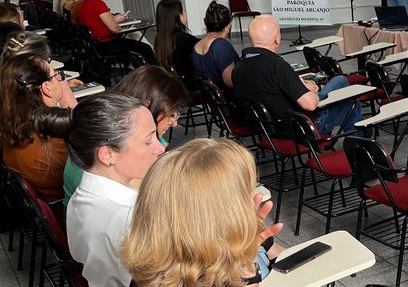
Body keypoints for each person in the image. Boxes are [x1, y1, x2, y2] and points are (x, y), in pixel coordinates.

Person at [120, 138, 284, 287]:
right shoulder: (217, 269)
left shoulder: (158, 264)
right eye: (243, 194)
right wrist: (245, 267)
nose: (249, 201)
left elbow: (279, 252)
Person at [66, 92, 165, 287]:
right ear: (108, 154)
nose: (160, 148)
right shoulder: (131, 218)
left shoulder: (81, 196)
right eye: (148, 141)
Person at [64, 65, 189, 203]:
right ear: (146, 108)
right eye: (172, 115)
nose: (175, 123)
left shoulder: (130, 137)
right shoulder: (94, 166)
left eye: (178, 114)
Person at [232, 15, 362, 136]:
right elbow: (310, 105)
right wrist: (311, 91)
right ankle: (359, 145)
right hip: (299, 129)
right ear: (276, 38)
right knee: (351, 102)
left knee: (339, 80)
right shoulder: (277, 66)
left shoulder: (238, 67)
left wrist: (299, 85)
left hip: (265, 128)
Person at [0, 53, 76, 201]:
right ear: (46, 88)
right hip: (66, 208)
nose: (60, 80)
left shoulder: (13, 127)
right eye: (57, 76)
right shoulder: (54, 139)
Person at [73, 0, 156, 64]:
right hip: (108, 43)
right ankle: (155, 69)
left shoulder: (82, 6)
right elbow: (115, 29)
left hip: (95, 45)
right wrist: (118, 25)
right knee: (145, 48)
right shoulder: (98, 4)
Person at [192, 0, 239, 91]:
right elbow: (230, 82)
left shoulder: (197, 45)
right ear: (229, 26)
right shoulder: (220, 45)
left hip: (211, 97)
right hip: (227, 97)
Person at [153, 0, 199, 89]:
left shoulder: (159, 39)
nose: (186, 13)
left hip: (170, 86)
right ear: (179, 16)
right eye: (184, 11)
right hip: (190, 87)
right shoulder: (185, 39)